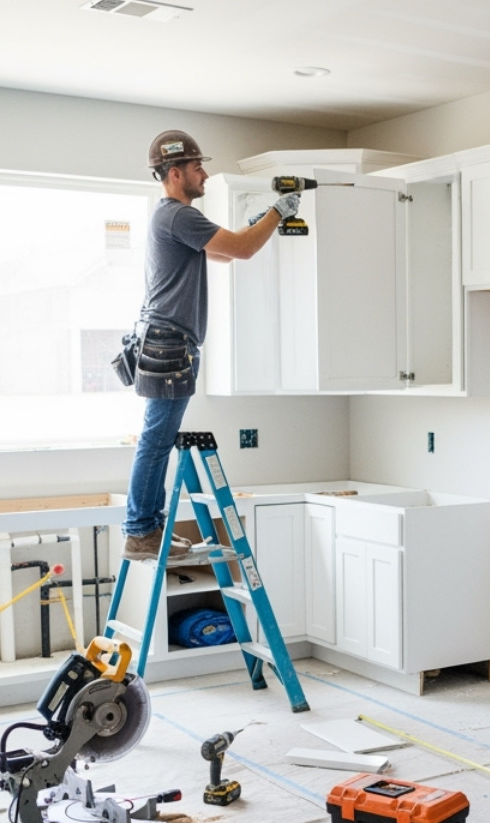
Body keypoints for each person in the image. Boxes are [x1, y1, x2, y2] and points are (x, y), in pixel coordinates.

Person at [120, 129, 301, 560]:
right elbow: (241, 250)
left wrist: (262, 221)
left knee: (156, 438)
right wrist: (278, 211)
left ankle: (149, 526)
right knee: (155, 440)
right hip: (168, 346)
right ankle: (140, 531)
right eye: (198, 167)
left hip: (165, 344)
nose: (204, 174)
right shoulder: (178, 216)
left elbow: (221, 252)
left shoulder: (173, 220)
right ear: (176, 173)